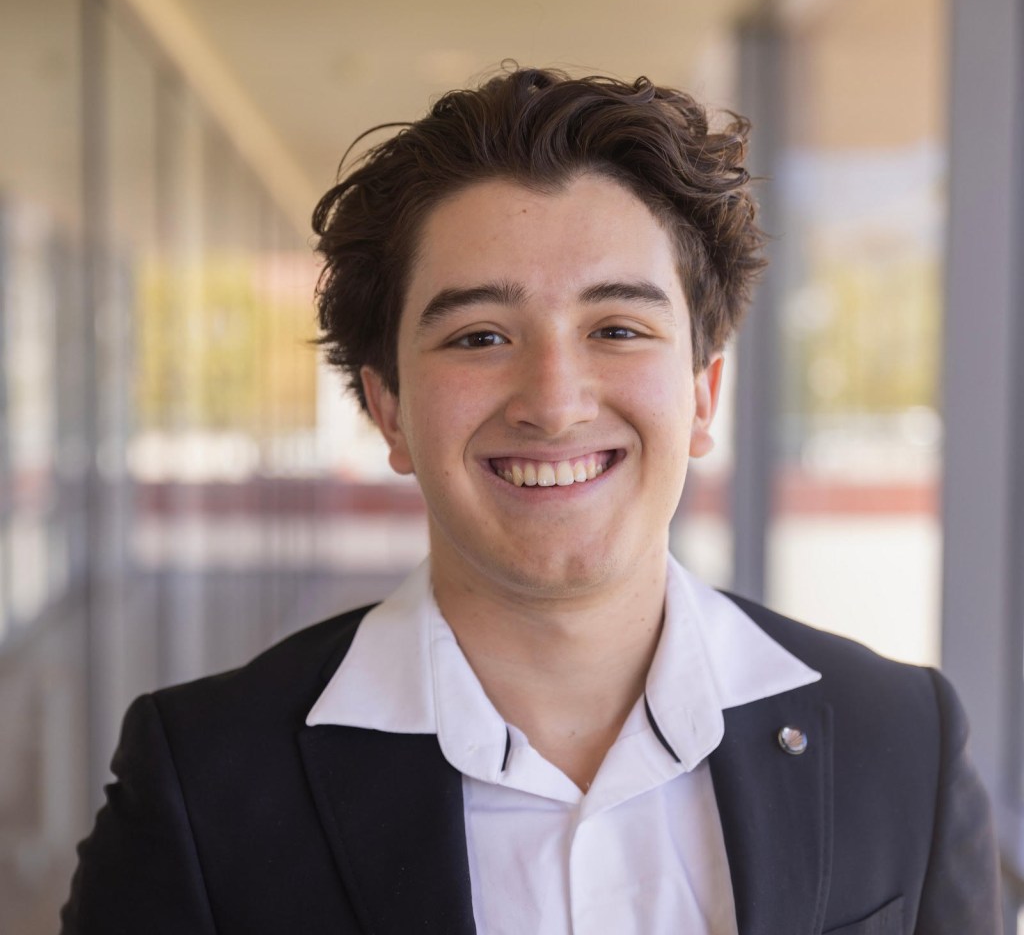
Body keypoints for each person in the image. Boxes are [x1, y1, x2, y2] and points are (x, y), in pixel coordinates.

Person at [61, 67, 1000, 934]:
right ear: (387, 408)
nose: (554, 402)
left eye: (618, 327)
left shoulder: (900, 742)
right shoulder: (204, 782)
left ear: (704, 394)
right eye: (478, 337)